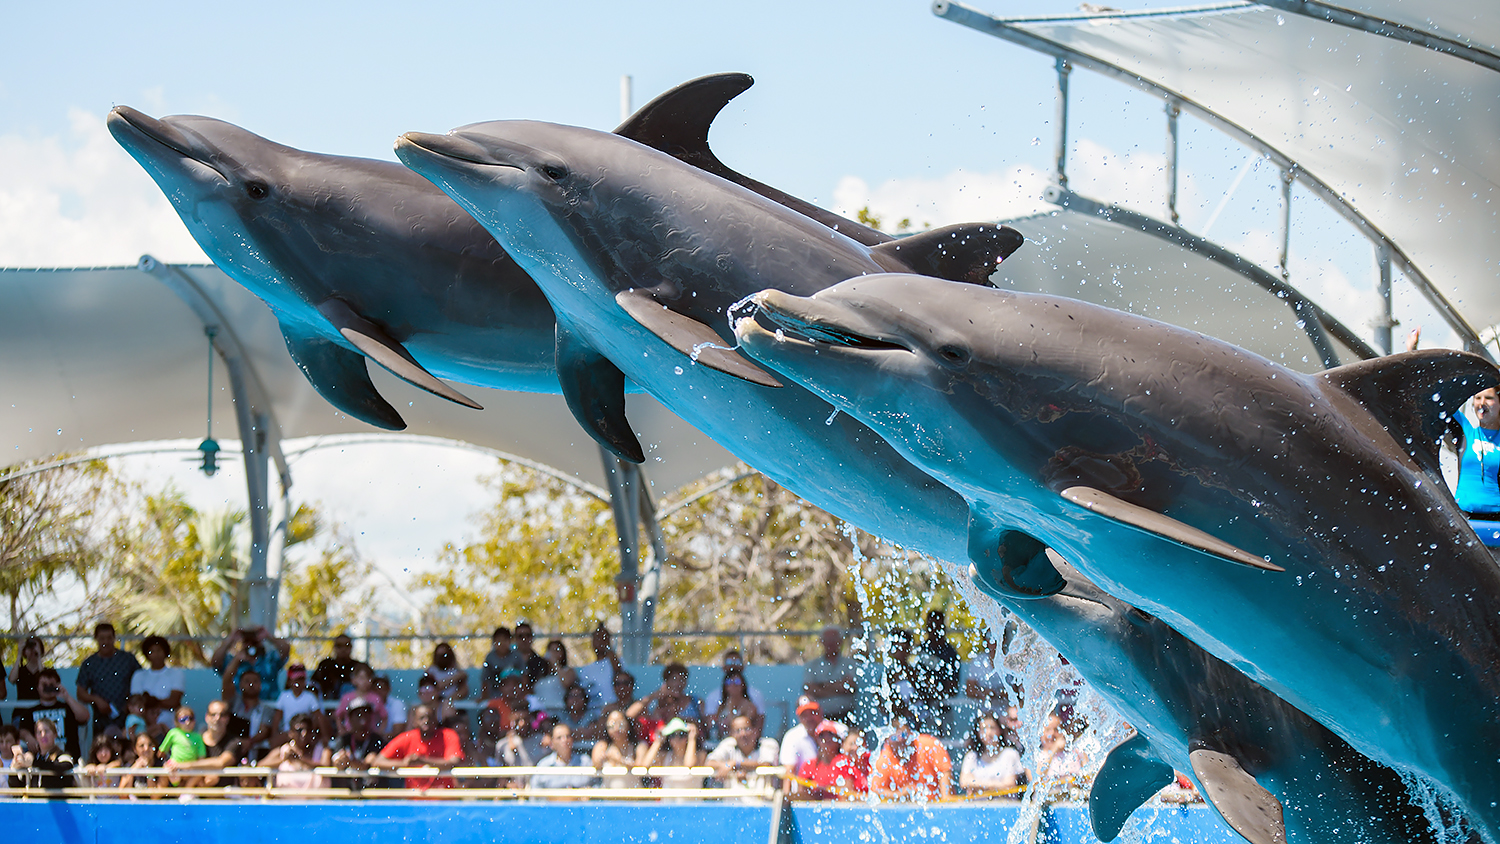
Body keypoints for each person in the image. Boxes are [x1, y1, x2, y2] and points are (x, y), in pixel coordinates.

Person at [869, 702, 952, 802]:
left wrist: (945, 799)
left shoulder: (929, 745)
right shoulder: (883, 760)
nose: (900, 740)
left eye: (904, 735)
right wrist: (899, 795)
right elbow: (876, 791)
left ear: (911, 732)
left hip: (935, 804)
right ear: (887, 740)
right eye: (895, 737)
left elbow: (945, 773)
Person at [373, 703, 464, 790]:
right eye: (421, 718)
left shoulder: (448, 735)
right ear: (414, 722)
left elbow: (454, 762)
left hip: (444, 799)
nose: (426, 721)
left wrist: (422, 761)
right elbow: (378, 762)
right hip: (414, 799)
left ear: (435, 720)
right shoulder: (407, 738)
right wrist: (405, 763)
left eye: (429, 717)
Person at [163, 699, 246, 787]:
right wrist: (171, 765)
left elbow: (221, 763)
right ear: (206, 717)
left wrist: (182, 765)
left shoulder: (234, 742)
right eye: (213, 714)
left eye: (222, 715)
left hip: (223, 797)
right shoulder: (197, 738)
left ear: (227, 719)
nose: (217, 718)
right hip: (195, 795)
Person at [76, 621, 140, 732]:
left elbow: (141, 681)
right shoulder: (89, 664)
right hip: (101, 720)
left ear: (114, 638)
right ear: (96, 639)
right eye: (102, 638)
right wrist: (96, 700)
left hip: (129, 718)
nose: (106, 642)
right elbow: (80, 693)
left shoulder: (128, 659)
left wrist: (131, 701)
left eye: (109, 638)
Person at [13, 667, 88, 758]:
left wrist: (66, 696)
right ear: (37, 687)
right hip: (41, 762)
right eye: (44, 685)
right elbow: (21, 730)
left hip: (68, 759)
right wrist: (28, 736)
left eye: (51, 685)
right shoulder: (30, 712)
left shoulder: (68, 708)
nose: (48, 687)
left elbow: (85, 716)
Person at [1452, 387, 1500, 517]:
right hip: (1464, 516)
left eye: (1489, 398)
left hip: (1497, 518)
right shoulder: (1466, 431)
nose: (1481, 403)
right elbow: (1442, 403)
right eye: (1477, 398)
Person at [627, 662, 702, 741]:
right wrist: (654, 696)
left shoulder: (695, 702)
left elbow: (703, 726)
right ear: (666, 681)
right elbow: (629, 715)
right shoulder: (656, 701)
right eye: (673, 679)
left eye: (681, 679)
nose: (677, 683)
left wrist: (677, 719)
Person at [959, 713, 1028, 797]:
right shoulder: (971, 756)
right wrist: (997, 784)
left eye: (992, 728)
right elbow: (963, 782)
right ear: (978, 732)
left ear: (999, 730)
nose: (988, 732)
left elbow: (1009, 784)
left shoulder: (1009, 754)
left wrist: (976, 784)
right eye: (984, 729)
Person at [794, 721, 867, 800]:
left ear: (839, 740)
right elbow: (800, 797)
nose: (826, 738)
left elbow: (846, 797)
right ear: (816, 740)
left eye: (830, 734)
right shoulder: (808, 765)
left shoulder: (843, 762)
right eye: (821, 735)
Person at [213, 626, 291, 700]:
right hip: (240, 709)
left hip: (268, 708)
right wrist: (231, 640)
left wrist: (268, 636)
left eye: (254, 642)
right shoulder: (233, 662)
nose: (250, 645)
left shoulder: (269, 660)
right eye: (246, 642)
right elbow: (216, 662)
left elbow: (285, 650)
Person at [912, 610, 962, 726]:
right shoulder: (920, 650)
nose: (934, 630)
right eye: (930, 626)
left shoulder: (950, 654)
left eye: (937, 626)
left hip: (943, 709)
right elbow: (913, 677)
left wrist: (935, 692)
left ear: (943, 628)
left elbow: (953, 688)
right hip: (921, 709)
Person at [707, 714, 779, 791]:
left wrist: (736, 764)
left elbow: (766, 764)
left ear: (755, 730)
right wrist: (728, 766)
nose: (742, 734)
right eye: (738, 731)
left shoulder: (768, 744)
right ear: (732, 734)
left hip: (763, 801)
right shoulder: (728, 744)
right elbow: (709, 763)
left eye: (747, 729)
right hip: (732, 801)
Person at [262, 712, 331, 790]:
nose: (304, 734)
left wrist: (300, 759)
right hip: (286, 801)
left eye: (307, 730)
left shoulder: (323, 750)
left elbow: (327, 769)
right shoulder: (283, 751)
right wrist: (283, 760)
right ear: (291, 733)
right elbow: (260, 767)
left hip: (317, 801)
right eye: (299, 730)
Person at [330, 696, 386, 792]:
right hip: (346, 793)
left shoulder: (377, 739)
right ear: (350, 718)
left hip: (371, 793)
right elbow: (336, 763)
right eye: (358, 714)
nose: (362, 717)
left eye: (366, 713)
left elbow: (367, 765)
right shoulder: (343, 740)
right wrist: (340, 761)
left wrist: (349, 762)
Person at [129, 635, 185, 728]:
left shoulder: (176, 674)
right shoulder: (139, 675)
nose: (156, 654)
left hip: (170, 724)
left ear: (165, 652)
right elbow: (136, 704)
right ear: (146, 654)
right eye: (152, 651)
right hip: (145, 725)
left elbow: (174, 701)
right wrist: (160, 702)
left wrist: (150, 700)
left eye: (159, 650)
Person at [802, 627, 857, 720]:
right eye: (827, 640)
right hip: (820, 717)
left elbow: (849, 687)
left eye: (834, 640)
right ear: (821, 642)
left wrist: (822, 685)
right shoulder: (812, 665)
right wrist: (838, 688)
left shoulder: (849, 664)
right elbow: (809, 689)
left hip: (846, 716)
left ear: (840, 641)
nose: (830, 643)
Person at [11, 717, 78, 790]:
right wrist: (15, 765)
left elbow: (63, 767)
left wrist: (34, 763)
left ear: (55, 734)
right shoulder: (33, 757)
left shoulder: (63, 754)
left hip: (56, 800)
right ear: (36, 736)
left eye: (46, 731)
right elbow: (15, 785)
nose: (43, 735)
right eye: (39, 732)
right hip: (34, 800)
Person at [640, 717, 703, 790]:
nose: (677, 739)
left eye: (681, 734)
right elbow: (645, 765)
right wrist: (658, 741)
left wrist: (692, 739)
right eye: (672, 735)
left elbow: (689, 765)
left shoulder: (700, 755)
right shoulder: (665, 756)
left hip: (691, 801)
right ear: (668, 739)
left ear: (687, 736)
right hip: (668, 801)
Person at [226, 669, 276, 759]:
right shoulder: (233, 703)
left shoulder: (266, 709)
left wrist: (249, 741)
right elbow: (226, 680)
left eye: (255, 681)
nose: (251, 684)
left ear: (260, 686)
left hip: (256, 755)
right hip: (231, 753)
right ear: (240, 685)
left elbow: (264, 731)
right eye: (247, 681)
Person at [530, 722, 596, 790]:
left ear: (572, 740)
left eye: (567, 736)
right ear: (552, 743)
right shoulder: (544, 766)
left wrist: (588, 794)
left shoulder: (585, 762)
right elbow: (535, 792)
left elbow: (597, 785)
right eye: (559, 738)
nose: (564, 740)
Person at [701, 651, 767, 718]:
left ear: (743, 666)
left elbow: (759, 725)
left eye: (737, 662)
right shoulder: (713, 696)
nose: (733, 666)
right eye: (729, 662)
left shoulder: (756, 695)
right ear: (723, 667)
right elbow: (711, 724)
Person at [591, 709, 645, 789]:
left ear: (628, 725)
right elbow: (595, 765)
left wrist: (619, 760)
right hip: (609, 799)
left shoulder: (638, 746)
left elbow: (641, 768)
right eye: (611, 725)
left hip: (634, 800)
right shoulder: (602, 746)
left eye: (620, 724)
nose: (616, 728)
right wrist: (602, 758)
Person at [780, 695, 833, 774]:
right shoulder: (791, 737)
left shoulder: (837, 730)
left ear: (820, 711)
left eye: (812, 712)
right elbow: (789, 773)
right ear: (798, 717)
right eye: (804, 715)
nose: (809, 718)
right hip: (803, 784)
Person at [272, 663, 324, 744]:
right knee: (274, 743)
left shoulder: (310, 696)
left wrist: (317, 732)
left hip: (305, 733)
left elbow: (318, 717)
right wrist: (274, 734)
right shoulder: (284, 696)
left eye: (302, 679)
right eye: (296, 680)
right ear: (290, 681)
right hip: (288, 732)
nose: (299, 683)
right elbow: (277, 717)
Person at [312, 633, 369, 702]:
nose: (343, 649)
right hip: (328, 705)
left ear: (351, 647)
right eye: (339, 646)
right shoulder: (325, 665)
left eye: (346, 645)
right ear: (334, 648)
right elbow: (313, 684)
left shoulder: (359, 666)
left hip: (354, 705)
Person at [158, 706, 207, 785]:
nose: (187, 722)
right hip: (174, 766)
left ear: (194, 721)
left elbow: (201, 757)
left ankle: (186, 793)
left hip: (190, 767)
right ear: (176, 722)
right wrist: (166, 762)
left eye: (190, 718)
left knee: (199, 774)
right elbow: (161, 752)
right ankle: (160, 795)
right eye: (183, 719)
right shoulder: (173, 733)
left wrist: (195, 766)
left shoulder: (198, 737)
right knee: (167, 770)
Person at [335, 664, 389, 735]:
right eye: (361, 678)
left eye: (368, 678)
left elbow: (384, 717)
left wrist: (379, 732)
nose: (364, 681)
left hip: (369, 736)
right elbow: (338, 716)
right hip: (351, 735)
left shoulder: (376, 698)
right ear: (354, 680)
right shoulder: (347, 698)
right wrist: (342, 731)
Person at [709, 671, 761, 740]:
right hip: (723, 742)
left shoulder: (750, 707)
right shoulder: (721, 706)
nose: (733, 685)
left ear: (743, 685)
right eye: (729, 682)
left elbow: (736, 728)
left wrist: (730, 707)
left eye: (737, 682)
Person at [479, 627, 523, 700]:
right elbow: (485, 680)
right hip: (495, 695)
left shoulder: (516, 656)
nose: (502, 643)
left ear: (510, 641)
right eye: (499, 640)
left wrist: (522, 695)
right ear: (494, 642)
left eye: (505, 640)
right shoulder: (490, 658)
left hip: (514, 695)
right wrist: (484, 697)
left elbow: (524, 676)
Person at [513, 622, 552, 688]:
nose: (524, 639)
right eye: (520, 636)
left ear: (532, 637)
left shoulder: (541, 663)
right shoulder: (508, 660)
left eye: (528, 635)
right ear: (515, 638)